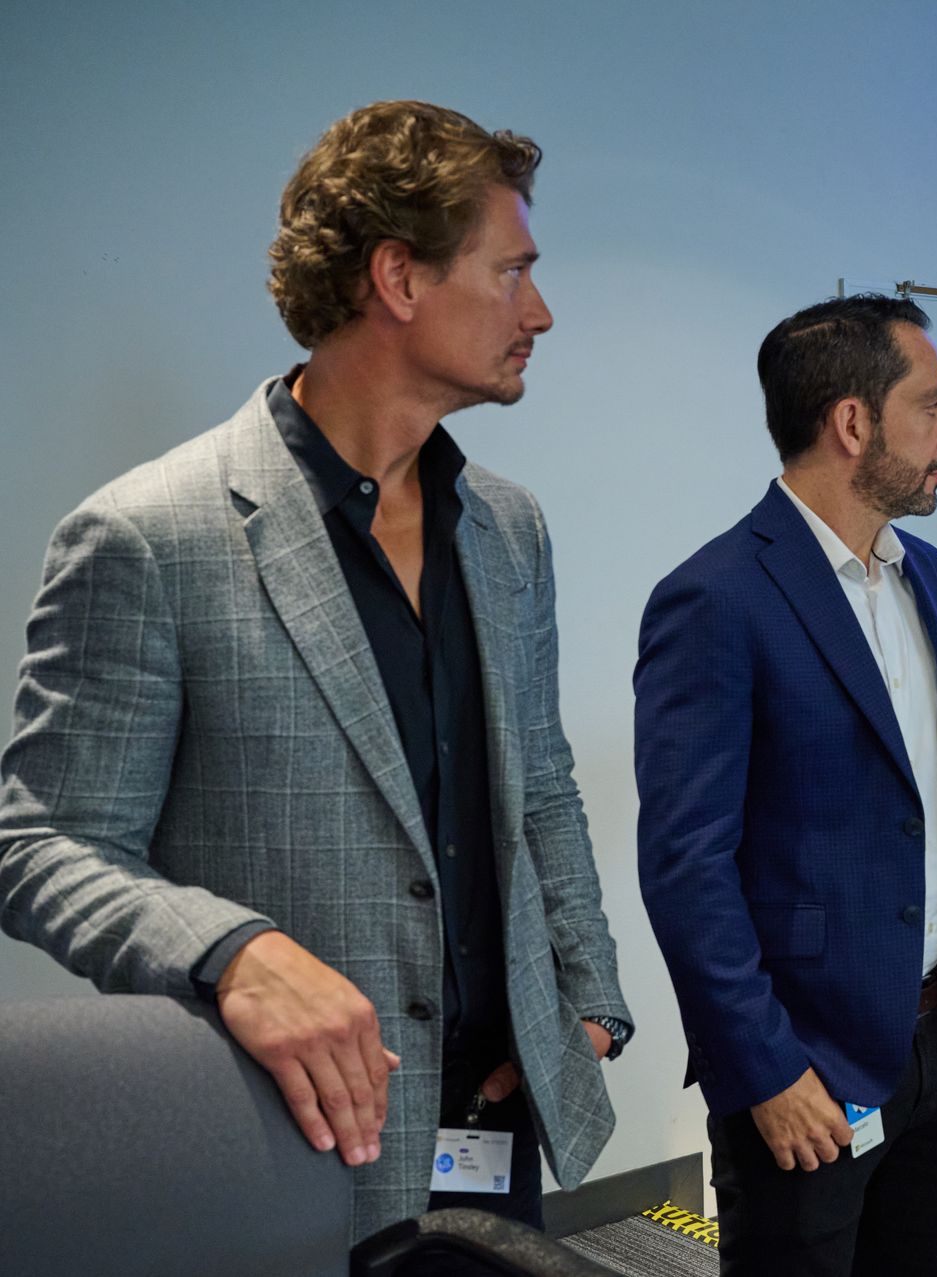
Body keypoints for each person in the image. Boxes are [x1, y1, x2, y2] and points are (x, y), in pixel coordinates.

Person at [0, 101, 631, 1244]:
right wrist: (232, 949)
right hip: (288, 1141)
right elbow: (44, 844)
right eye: (512, 271)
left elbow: (539, 779)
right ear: (399, 277)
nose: (538, 311)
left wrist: (588, 997)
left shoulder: (508, 527)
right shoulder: (149, 536)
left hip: (497, 1116)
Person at [633, 294, 937, 1277]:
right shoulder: (718, 597)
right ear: (853, 422)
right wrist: (764, 1068)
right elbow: (688, 866)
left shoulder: (932, 579)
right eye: (933, 406)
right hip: (807, 1070)